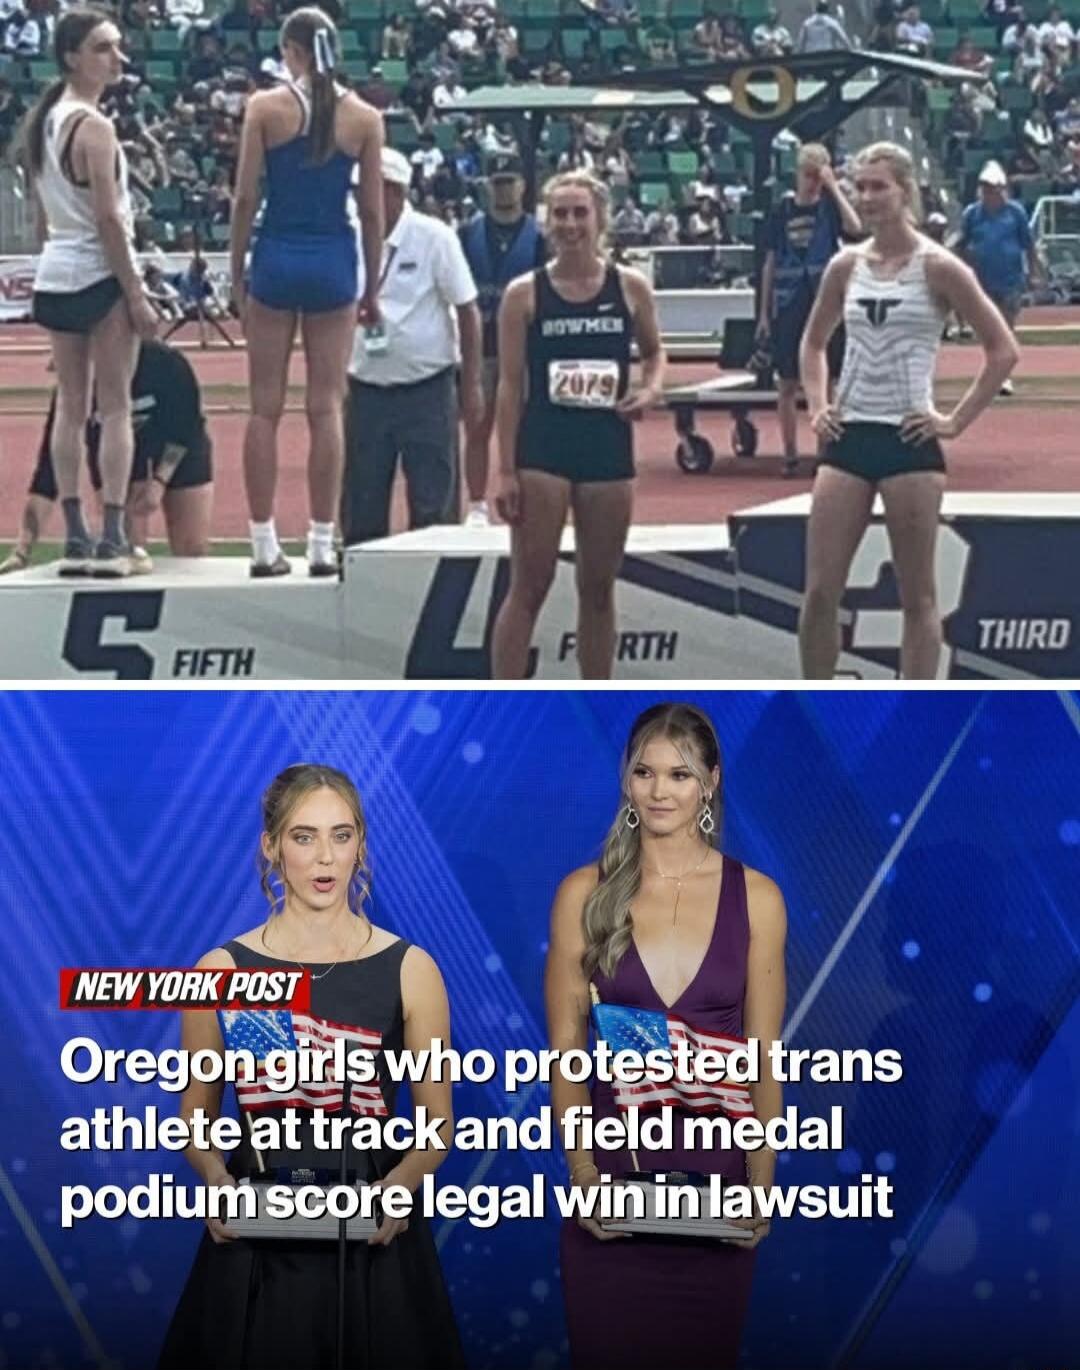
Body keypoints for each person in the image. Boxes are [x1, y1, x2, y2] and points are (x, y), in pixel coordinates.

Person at [157, 763, 465, 1370]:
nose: (325, 857)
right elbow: (194, 1123)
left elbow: (438, 1130)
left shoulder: (412, 969)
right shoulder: (219, 972)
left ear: (361, 846)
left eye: (341, 835)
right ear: (271, 847)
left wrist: (397, 1192)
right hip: (258, 1244)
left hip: (373, 1239)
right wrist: (220, 1190)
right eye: (304, 836)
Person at [546, 702, 787, 1370]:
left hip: (719, 1195)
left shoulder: (758, 897)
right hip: (613, 1198)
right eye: (645, 772)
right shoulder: (582, 894)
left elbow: (765, 1059)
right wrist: (584, 1176)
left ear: (710, 781)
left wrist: (761, 1185)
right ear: (626, 781)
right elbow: (566, 1054)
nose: (659, 790)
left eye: (679, 775)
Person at [798, 142, 1019, 680]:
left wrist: (954, 421)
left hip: (910, 441)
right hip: (850, 437)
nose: (869, 197)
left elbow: (1002, 349)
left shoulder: (939, 267)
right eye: (862, 187)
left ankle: (915, 708)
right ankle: (813, 699)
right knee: (821, 590)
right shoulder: (845, 266)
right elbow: (812, 343)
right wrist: (819, 405)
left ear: (905, 191)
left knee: (918, 596)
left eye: (880, 186)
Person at [490, 171, 665, 680]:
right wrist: (505, 470)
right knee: (530, 583)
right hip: (544, 448)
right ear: (546, 222)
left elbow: (655, 352)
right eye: (560, 214)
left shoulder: (629, 287)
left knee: (598, 586)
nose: (569, 224)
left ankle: (597, 700)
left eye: (579, 213)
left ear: (600, 219)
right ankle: (504, 702)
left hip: (607, 449)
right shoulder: (525, 295)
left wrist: (651, 389)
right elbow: (508, 384)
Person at [230, 5, 384, 578]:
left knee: (264, 409)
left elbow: (245, 198)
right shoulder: (363, 116)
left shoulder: (265, 108)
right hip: (333, 259)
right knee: (326, 407)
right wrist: (373, 284)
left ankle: (263, 541)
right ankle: (322, 541)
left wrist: (235, 269)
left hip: (277, 254)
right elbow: (371, 211)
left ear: (289, 50)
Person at [19, 6, 158, 578]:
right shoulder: (94, 128)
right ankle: (113, 533)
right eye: (104, 48)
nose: (117, 57)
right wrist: (137, 292)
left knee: (71, 412)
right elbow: (107, 218)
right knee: (115, 407)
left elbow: (47, 217)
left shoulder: (48, 119)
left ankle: (75, 532)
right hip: (98, 272)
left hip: (56, 271)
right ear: (73, 57)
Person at [341, 147, 483, 545]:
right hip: (366, 388)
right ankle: (362, 588)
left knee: (434, 503)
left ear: (395, 191)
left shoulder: (434, 237)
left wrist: (470, 383)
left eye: (366, 188)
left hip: (428, 389)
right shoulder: (346, 235)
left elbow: (467, 309)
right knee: (361, 500)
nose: (357, 198)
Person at [0, 339, 213, 573]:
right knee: (124, 542)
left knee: (191, 547)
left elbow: (186, 426)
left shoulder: (166, 363)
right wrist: (22, 550)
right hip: (114, 456)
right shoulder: (73, 389)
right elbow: (48, 473)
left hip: (177, 445)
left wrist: (160, 481)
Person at [757, 143, 861, 477]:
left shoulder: (830, 209)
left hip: (824, 302)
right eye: (809, 175)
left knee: (826, 380)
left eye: (819, 175)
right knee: (787, 383)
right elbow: (770, 263)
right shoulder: (781, 210)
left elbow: (856, 227)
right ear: (797, 173)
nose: (813, 182)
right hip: (789, 304)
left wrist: (833, 187)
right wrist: (763, 313)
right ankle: (789, 453)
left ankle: (823, 451)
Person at [458, 152, 546, 528]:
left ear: (522, 187)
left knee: (526, 429)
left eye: (510, 182)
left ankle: (525, 495)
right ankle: (476, 505)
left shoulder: (540, 238)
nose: (504, 189)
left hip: (524, 350)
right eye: (498, 183)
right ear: (487, 188)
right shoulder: (466, 235)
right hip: (482, 349)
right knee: (477, 426)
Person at [954, 160, 1045, 396]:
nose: (988, 192)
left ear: (1001, 188)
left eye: (992, 188)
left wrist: (1034, 272)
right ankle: (994, 373)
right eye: (984, 188)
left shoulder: (1016, 213)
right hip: (983, 279)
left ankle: (1003, 376)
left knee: (1006, 327)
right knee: (989, 330)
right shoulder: (972, 214)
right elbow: (962, 243)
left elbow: (1029, 245)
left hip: (1010, 278)